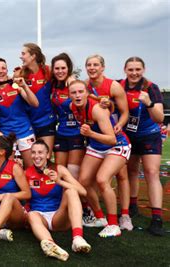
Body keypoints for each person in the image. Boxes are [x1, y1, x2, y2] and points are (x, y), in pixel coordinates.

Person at [69, 80, 131, 237]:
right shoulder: (72, 107)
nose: (77, 95)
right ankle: (99, 217)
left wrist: (90, 134)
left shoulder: (97, 109)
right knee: (83, 181)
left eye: (80, 92)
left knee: (102, 179)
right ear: (69, 95)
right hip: (97, 146)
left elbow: (112, 139)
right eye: (73, 92)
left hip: (117, 145)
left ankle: (114, 225)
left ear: (86, 93)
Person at [84, 55, 131, 230]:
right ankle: (99, 216)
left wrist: (119, 124)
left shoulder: (113, 86)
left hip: (115, 137)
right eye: (89, 65)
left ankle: (123, 216)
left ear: (103, 67)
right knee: (88, 180)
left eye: (96, 65)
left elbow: (125, 111)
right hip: (96, 140)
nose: (92, 68)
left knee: (119, 176)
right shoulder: (84, 87)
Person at [119, 57, 165, 236]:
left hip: (148, 134)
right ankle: (132, 206)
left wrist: (149, 103)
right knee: (130, 171)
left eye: (138, 69)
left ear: (143, 70)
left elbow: (159, 118)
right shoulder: (120, 85)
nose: (134, 73)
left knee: (151, 173)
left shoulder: (150, 88)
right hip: (128, 135)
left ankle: (156, 218)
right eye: (131, 69)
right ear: (125, 70)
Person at [26, 141, 91, 262]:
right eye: (33, 152)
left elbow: (83, 191)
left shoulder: (59, 169)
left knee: (71, 192)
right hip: (40, 218)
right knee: (31, 214)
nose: (36, 156)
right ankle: (51, 245)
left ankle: (77, 238)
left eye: (40, 152)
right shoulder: (27, 172)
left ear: (47, 155)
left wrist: (59, 181)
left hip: (58, 216)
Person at [0, 57, 39, 168]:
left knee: (31, 168)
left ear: (7, 70)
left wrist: (23, 86)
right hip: (6, 135)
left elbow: (35, 104)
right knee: (8, 170)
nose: (1, 71)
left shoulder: (16, 85)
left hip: (25, 131)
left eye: (3, 68)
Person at [50, 53, 84, 179]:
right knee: (59, 169)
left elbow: (87, 102)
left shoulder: (74, 85)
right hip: (61, 132)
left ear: (68, 68)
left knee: (73, 171)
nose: (60, 71)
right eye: (57, 68)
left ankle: (75, 198)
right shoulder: (53, 86)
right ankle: (62, 198)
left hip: (76, 132)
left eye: (63, 68)